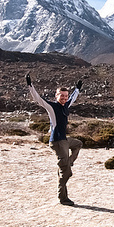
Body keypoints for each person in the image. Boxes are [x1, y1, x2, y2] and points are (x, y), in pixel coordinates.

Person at [26, 73, 83, 205]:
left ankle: (68, 162)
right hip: (57, 142)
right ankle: (62, 197)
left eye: (65, 96)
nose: (64, 98)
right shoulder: (52, 107)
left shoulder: (65, 105)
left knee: (78, 144)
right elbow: (38, 99)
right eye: (61, 96)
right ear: (56, 96)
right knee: (66, 172)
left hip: (64, 140)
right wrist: (30, 85)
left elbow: (73, 98)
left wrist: (77, 89)